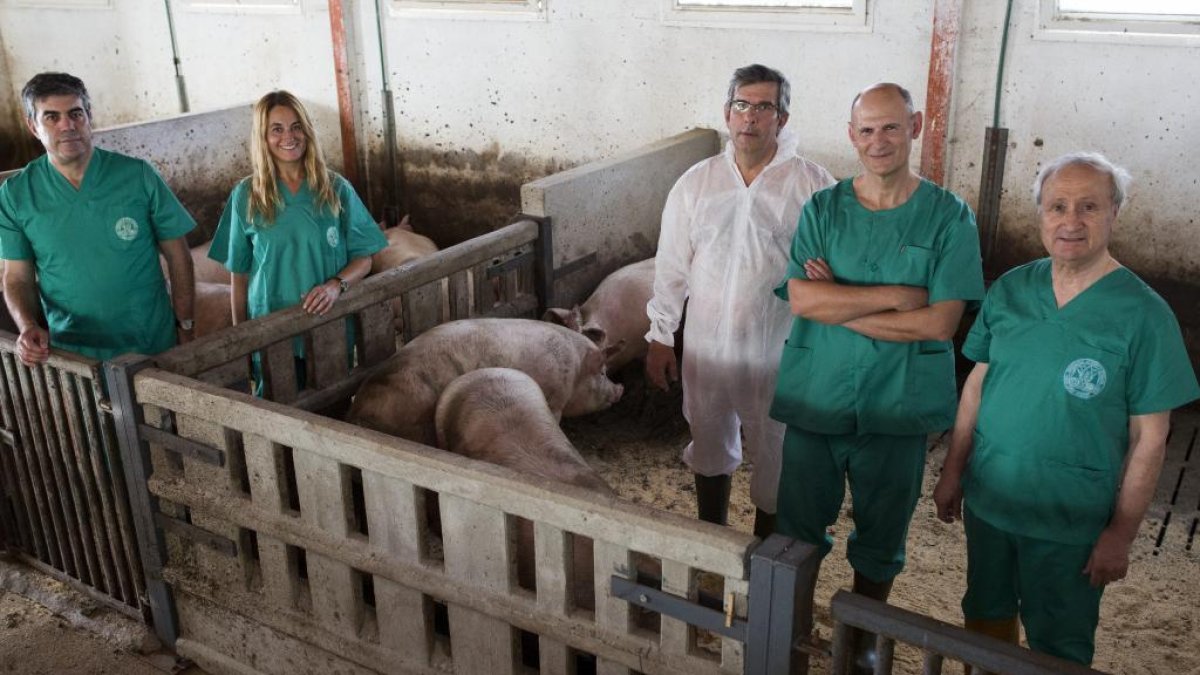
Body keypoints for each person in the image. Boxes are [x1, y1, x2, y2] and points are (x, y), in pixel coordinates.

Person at [933, 152, 1199, 666]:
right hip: (993, 500)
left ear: (1114, 214)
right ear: (1040, 215)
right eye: (1056, 206)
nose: (1070, 221)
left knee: (1059, 642)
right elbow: (977, 388)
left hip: (1072, 519)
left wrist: (1120, 534)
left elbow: (1150, 438)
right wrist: (953, 471)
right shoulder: (1010, 289)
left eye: (1088, 207)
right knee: (984, 617)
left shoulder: (1143, 315)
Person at [769, 82, 984, 673]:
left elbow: (941, 322)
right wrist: (895, 298)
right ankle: (788, 633)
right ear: (851, 136)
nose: (878, 141)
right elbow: (804, 301)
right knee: (798, 528)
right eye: (866, 130)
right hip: (818, 397)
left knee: (882, 536)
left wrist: (842, 298)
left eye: (891, 127)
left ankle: (861, 640)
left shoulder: (948, 216)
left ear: (915, 128)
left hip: (897, 407)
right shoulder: (824, 208)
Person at [644, 64, 834, 537]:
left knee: (776, 449)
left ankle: (763, 554)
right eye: (741, 106)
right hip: (707, 346)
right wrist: (660, 335)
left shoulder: (812, 185)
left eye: (763, 107)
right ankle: (714, 540)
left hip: (778, 350)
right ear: (727, 113)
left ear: (782, 119)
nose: (750, 118)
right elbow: (671, 266)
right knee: (707, 437)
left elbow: (832, 266)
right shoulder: (697, 182)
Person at [0, 72, 196, 365]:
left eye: (76, 113)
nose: (67, 126)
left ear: (89, 117)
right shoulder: (16, 194)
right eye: (52, 117)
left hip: (152, 343)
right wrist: (27, 325)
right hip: (74, 353)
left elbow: (178, 255)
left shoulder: (136, 175)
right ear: (33, 126)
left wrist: (185, 323)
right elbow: (16, 276)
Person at [209, 91, 387, 395]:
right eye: (276, 129)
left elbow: (364, 258)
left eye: (296, 126)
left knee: (333, 404)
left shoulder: (335, 189)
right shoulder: (247, 195)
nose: (288, 136)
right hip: (272, 329)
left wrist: (335, 285)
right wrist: (244, 339)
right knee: (278, 411)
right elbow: (239, 275)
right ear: (263, 138)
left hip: (328, 324)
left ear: (307, 130)